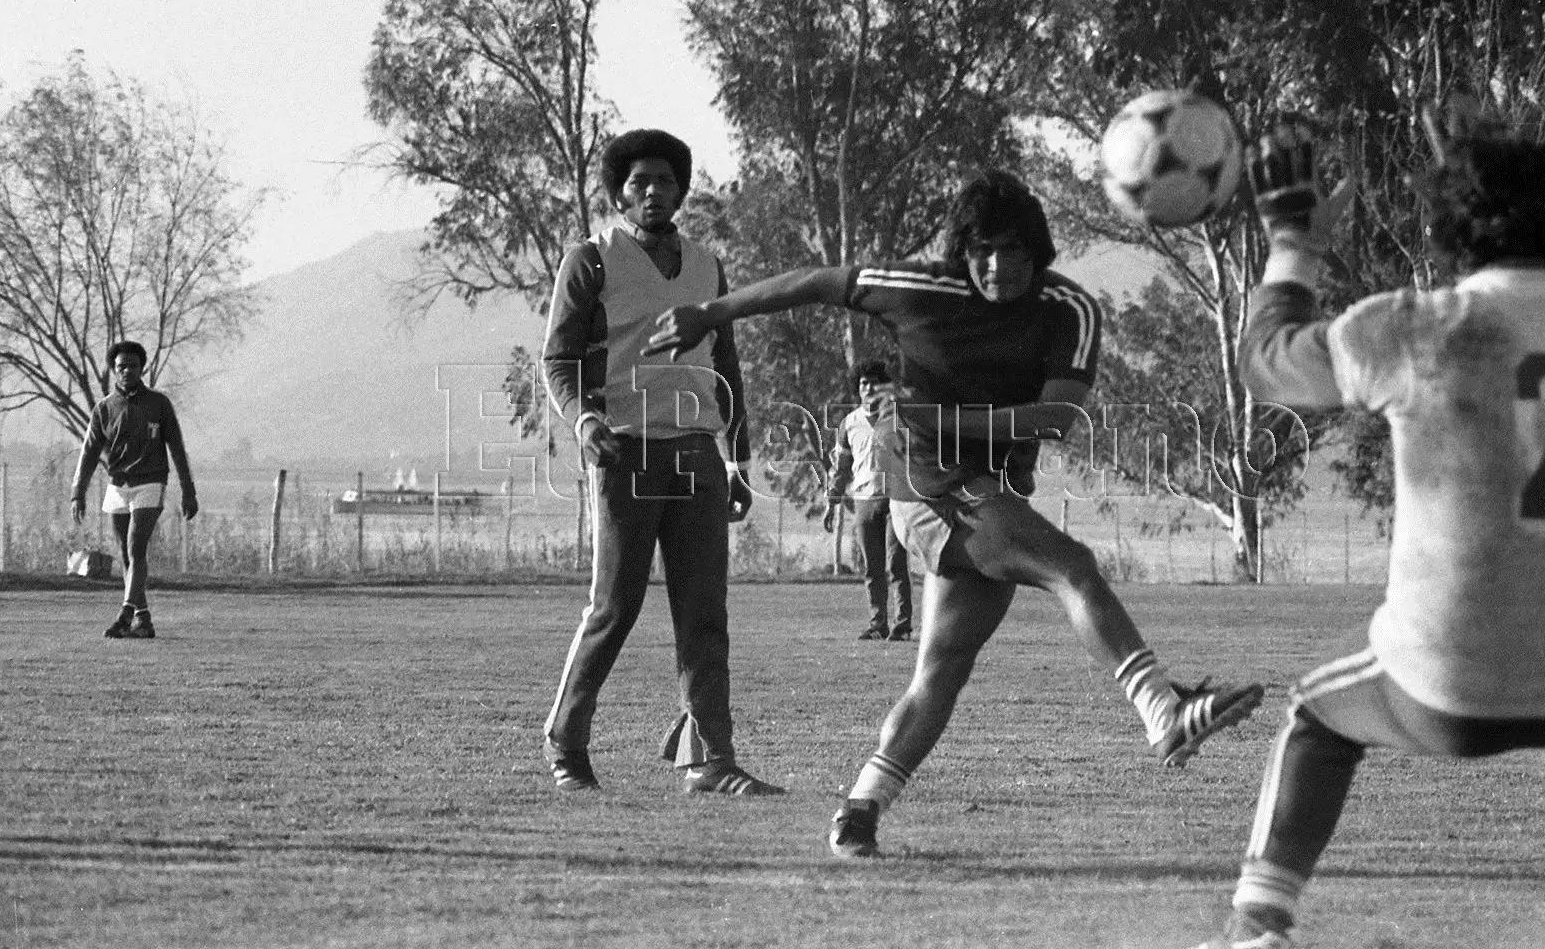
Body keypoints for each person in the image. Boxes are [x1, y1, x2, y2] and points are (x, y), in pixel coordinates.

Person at [1188, 107, 1545, 949]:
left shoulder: (1416, 327)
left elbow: (1266, 365)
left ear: (1446, 228)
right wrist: (1474, 171)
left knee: (1316, 714)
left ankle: (1258, 925)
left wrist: (1294, 242)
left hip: (1448, 674)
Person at [648, 169, 1264, 858]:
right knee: (1074, 568)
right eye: (981, 252)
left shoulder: (1069, 309)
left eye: (1013, 252)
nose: (997, 267)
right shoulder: (922, 289)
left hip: (988, 487)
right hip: (931, 486)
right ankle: (1163, 712)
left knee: (941, 671)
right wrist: (709, 314)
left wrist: (941, 415)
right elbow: (817, 282)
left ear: (1038, 252)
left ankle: (859, 811)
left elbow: (1057, 415)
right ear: (959, 252)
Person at [539, 129, 782, 798]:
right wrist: (583, 418)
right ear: (619, 191)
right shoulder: (591, 260)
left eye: (666, 181)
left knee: (705, 614)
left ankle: (711, 761)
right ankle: (566, 740)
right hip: (624, 452)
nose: (653, 192)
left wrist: (738, 460)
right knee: (613, 608)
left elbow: (725, 364)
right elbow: (558, 360)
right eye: (640, 181)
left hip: (699, 453)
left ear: (681, 190)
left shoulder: (708, 265)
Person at [69, 341, 200, 639]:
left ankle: (125, 614)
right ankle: (144, 619)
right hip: (118, 486)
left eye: (132, 365)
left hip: (150, 483)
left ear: (142, 368)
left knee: (135, 548)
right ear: (113, 370)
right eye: (121, 366)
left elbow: (177, 448)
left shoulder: (158, 404)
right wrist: (78, 492)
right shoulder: (104, 408)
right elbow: (89, 452)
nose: (127, 370)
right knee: (127, 557)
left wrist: (188, 490)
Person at [826, 358, 914, 641]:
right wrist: (832, 500)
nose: (868, 387)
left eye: (874, 382)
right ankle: (878, 625)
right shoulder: (849, 423)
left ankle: (902, 625)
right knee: (871, 568)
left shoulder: (900, 418)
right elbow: (840, 467)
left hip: (897, 500)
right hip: (864, 500)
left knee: (897, 565)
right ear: (857, 388)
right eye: (863, 383)